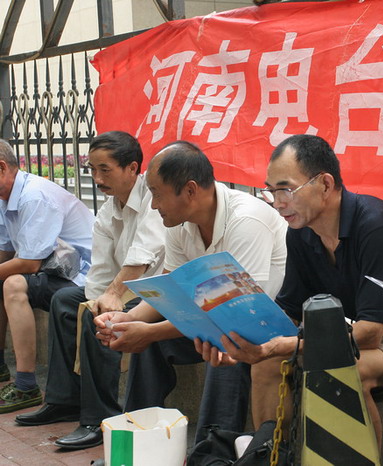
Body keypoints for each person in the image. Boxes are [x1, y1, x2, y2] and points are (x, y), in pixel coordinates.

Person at [196, 134, 383, 443]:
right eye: (271, 191)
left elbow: (370, 334)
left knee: (342, 369)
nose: (278, 203)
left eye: (286, 189)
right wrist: (244, 342)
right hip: (382, 343)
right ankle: (269, 456)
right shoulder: (300, 233)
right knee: (267, 365)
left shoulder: (378, 227)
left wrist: (281, 345)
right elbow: (290, 314)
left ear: (325, 184)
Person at [94, 140, 288, 443]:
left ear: (190, 190)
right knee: (149, 340)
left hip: (263, 323)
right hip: (217, 314)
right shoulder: (177, 223)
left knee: (226, 346)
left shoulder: (246, 220)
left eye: (157, 194)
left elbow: (236, 315)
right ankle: (137, 441)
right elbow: (169, 292)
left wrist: (149, 332)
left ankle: (212, 451)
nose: (153, 205)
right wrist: (128, 320)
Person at [15, 131, 166, 450]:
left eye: (105, 170)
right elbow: (101, 269)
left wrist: (109, 298)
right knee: (66, 301)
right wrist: (98, 299)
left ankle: (100, 417)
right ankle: (64, 400)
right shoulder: (109, 211)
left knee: (100, 317)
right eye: (92, 170)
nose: (97, 178)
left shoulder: (154, 198)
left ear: (132, 168)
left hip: (154, 292)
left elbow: (142, 257)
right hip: (124, 290)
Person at [0, 140, 94, 414]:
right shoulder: (5, 198)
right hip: (54, 270)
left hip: (81, 276)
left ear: (2, 167)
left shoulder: (34, 196)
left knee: (13, 284)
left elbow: (29, 264)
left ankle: (26, 385)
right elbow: (5, 252)